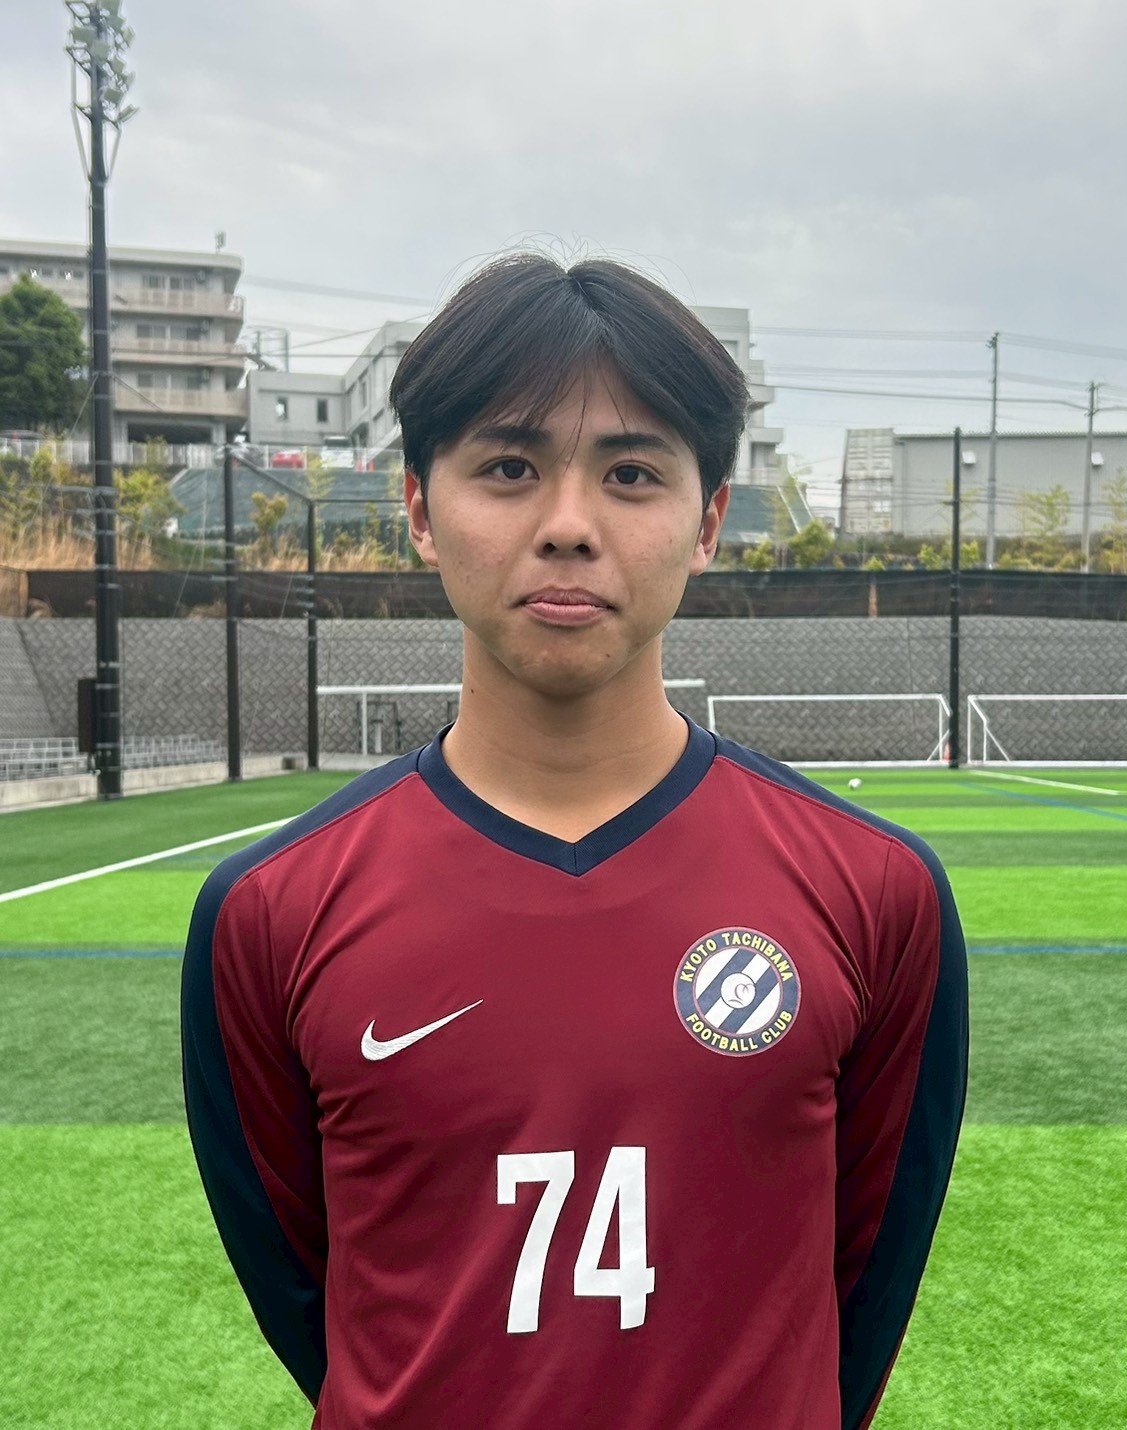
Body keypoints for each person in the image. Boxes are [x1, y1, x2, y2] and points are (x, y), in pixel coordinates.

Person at [182, 253, 968, 1430]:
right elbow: (308, 1292)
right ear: (418, 509)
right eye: (508, 467)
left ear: (707, 522)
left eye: (631, 473)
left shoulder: (877, 890)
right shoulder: (267, 909)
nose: (566, 525)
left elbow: (866, 1282)